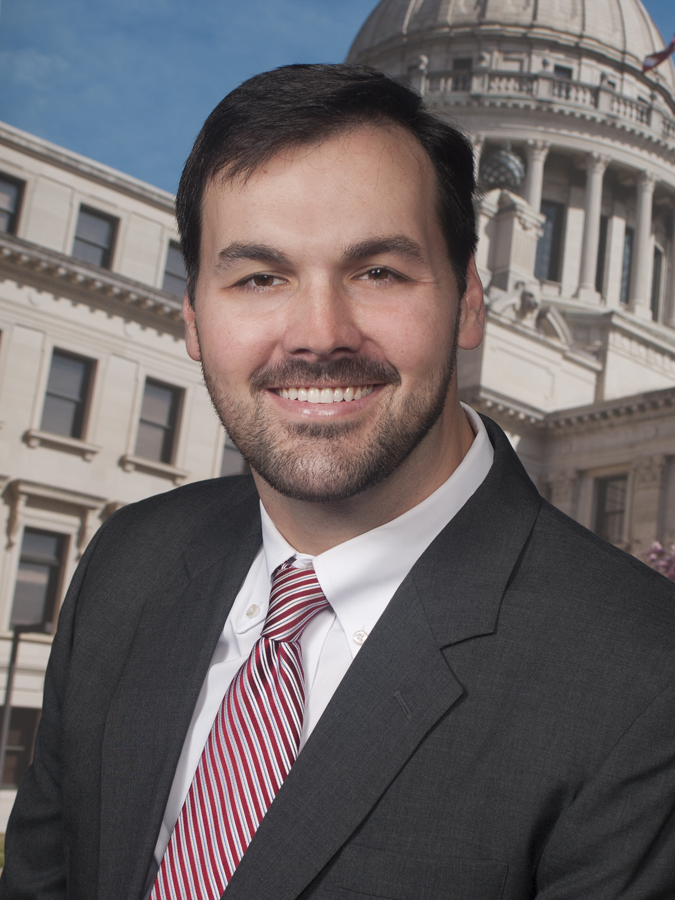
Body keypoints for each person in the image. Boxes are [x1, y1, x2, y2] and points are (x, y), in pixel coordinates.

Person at [2, 64, 675, 900]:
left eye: (379, 271)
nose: (318, 335)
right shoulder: (126, 564)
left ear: (470, 299)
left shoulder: (644, 675)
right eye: (258, 276)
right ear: (192, 318)